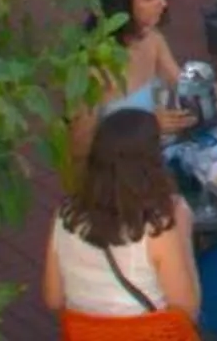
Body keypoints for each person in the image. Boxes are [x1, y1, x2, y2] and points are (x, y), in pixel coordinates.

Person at [43, 109, 205, 334]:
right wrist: (182, 233)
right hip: (155, 335)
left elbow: (53, 299)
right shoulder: (156, 228)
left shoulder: (65, 216)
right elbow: (187, 310)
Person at [70, 0, 191, 170]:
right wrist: (150, 126)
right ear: (122, 5)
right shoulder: (92, 70)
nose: (163, 3)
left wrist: (201, 92)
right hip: (116, 175)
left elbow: (181, 84)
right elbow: (80, 149)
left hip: (155, 159)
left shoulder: (152, 39)